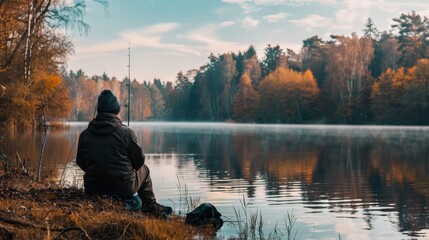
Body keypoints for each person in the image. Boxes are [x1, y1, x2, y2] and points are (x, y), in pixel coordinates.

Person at [76, 89, 172, 216]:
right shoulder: (126, 133)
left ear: (99, 110)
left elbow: (80, 162)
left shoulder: (85, 134)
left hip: (92, 188)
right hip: (122, 189)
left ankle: (142, 205)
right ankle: (151, 207)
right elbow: (139, 163)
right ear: (116, 110)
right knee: (145, 170)